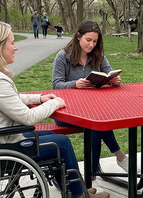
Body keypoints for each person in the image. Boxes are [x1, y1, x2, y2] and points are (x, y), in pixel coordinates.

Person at [0, 20, 110, 198]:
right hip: (7, 145)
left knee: (52, 136)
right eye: (12, 43)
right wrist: (54, 103)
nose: (16, 47)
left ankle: (77, 190)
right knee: (62, 143)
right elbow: (28, 117)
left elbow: (11, 99)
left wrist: (39, 98)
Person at [52, 20, 129, 176]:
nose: (91, 45)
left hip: (92, 109)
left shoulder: (98, 56)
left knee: (95, 123)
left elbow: (108, 72)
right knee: (95, 123)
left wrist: (114, 80)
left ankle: (91, 177)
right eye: (88, 40)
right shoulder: (63, 56)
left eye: (95, 41)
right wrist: (75, 84)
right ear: (78, 36)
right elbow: (56, 85)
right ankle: (119, 156)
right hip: (67, 110)